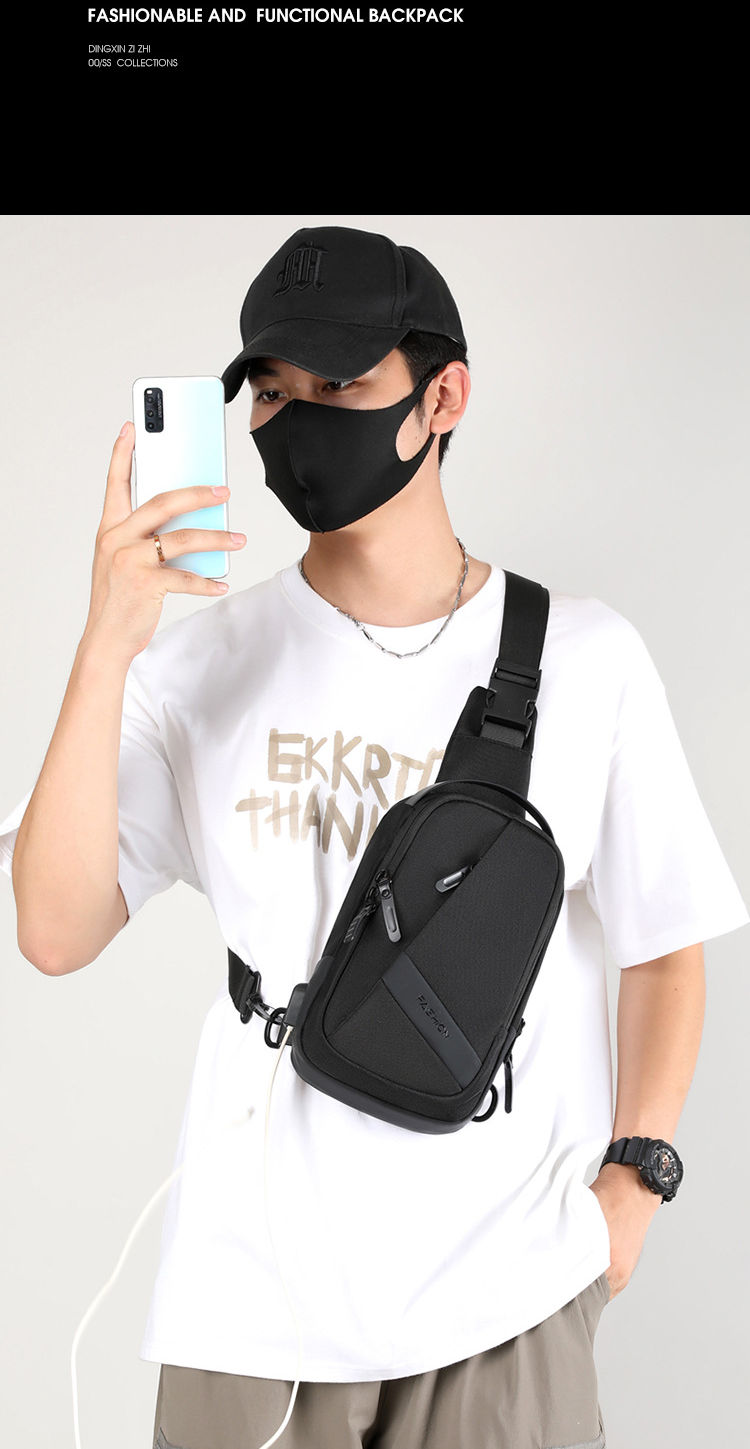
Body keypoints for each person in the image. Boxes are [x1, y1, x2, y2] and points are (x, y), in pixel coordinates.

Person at [2, 225, 747, 1449]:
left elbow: (665, 945)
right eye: (271, 390)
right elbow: (51, 928)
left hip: (506, 1288)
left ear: (442, 397)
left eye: (338, 382)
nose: (296, 418)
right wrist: (107, 643)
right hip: (250, 1301)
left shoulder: (587, 658)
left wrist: (636, 1184)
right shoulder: (196, 662)